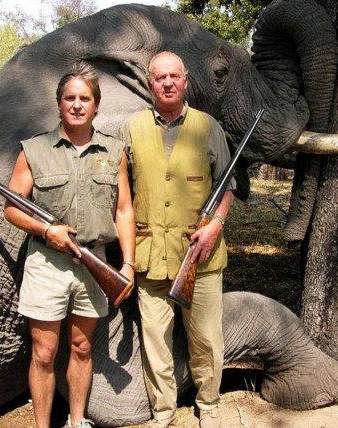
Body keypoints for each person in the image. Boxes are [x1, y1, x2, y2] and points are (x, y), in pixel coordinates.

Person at [4, 61, 135, 428]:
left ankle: (77, 420)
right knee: (44, 353)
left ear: (96, 105)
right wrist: (48, 232)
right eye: (69, 98)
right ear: (59, 103)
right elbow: (12, 209)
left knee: (81, 348)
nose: (77, 105)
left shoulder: (114, 150)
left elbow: (124, 209)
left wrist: (126, 264)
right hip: (48, 264)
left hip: (97, 263)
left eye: (84, 98)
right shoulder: (33, 150)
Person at [121, 51, 233, 428]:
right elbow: (121, 193)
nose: (167, 82)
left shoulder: (208, 127)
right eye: (159, 77)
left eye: (173, 76)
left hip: (200, 256)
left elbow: (226, 186)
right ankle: (163, 411)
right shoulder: (131, 128)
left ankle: (210, 404)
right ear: (149, 83)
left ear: (185, 81)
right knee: (155, 342)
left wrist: (216, 223)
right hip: (149, 256)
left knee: (205, 339)